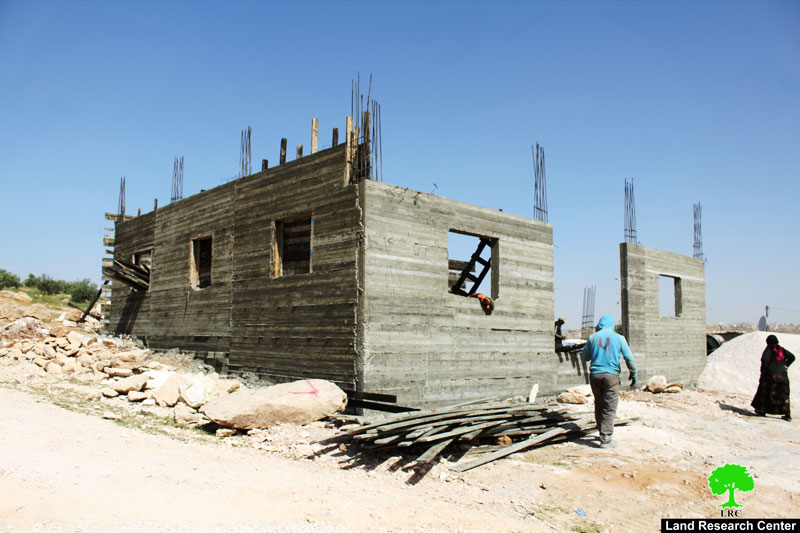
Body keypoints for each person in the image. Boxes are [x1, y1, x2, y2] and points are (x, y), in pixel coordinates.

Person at [581, 315, 637, 447]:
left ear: (599, 325)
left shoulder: (592, 337)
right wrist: (633, 373)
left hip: (595, 375)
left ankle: (602, 432)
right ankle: (606, 439)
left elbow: (585, 357)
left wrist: (596, 352)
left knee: (599, 404)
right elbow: (629, 358)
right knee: (609, 407)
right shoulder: (619, 338)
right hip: (611, 376)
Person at [751, 335, 794, 421]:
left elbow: (765, 361)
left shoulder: (769, 349)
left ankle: (762, 410)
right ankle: (787, 415)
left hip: (771, 376)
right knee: (783, 395)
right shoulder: (781, 350)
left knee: (765, 392)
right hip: (783, 376)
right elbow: (792, 357)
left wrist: (763, 374)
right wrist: (785, 365)